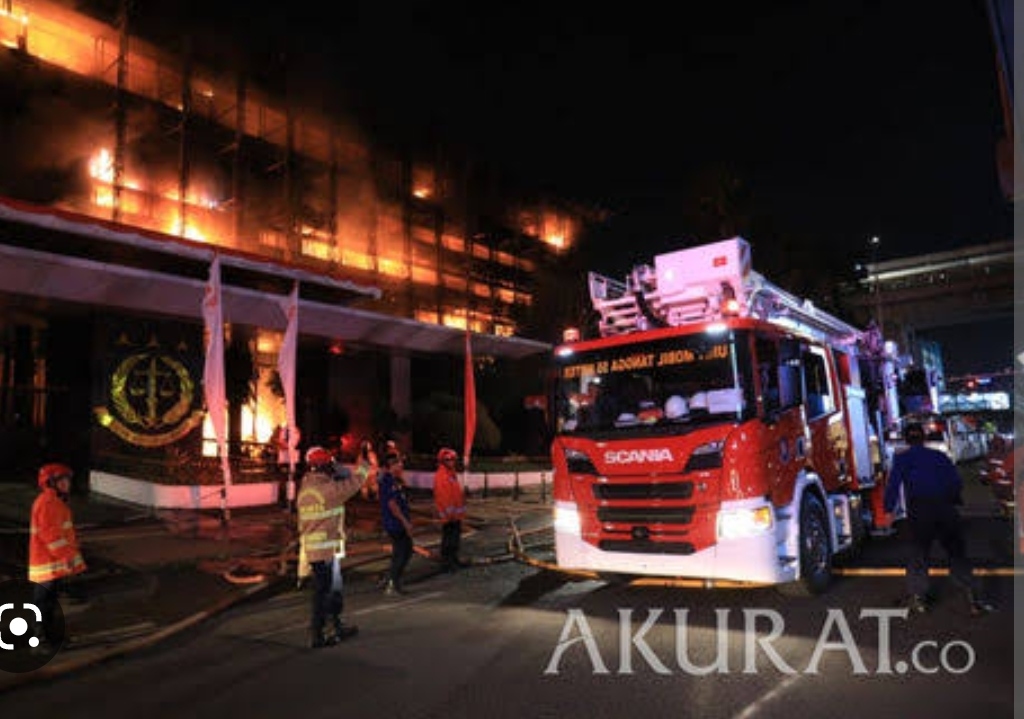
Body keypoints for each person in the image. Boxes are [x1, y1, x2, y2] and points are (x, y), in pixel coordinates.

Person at [883, 422, 995, 616]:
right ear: (924, 438)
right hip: (945, 509)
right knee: (957, 555)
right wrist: (951, 501)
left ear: (906, 439)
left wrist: (888, 510)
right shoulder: (940, 457)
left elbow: (893, 485)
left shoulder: (902, 459)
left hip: (920, 511)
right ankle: (974, 599)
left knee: (919, 554)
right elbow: (955, 482)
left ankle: (919, 600)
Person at [296, 445, 362, 648]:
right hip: (324, 551)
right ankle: (319, 633)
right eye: (330, 466)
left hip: (318, 550)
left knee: (331, 590)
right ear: (324, 467)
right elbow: (354, 482)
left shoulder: (306, 489)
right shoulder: (328, 490)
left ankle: (334, 625)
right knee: (324, 593)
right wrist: (365, 465)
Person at [29, 462, 87, 650]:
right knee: (45, 605)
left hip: (50, 564)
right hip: (48, 565)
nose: (67, 484)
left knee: (49, 604)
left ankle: (50, 638)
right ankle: (44, 641)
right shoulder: (48, 503)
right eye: (62, 481)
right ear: (51, 483)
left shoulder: (53, 502)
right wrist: (67, 556)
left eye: (67, 480)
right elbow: (52, 537)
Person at [378, 452, 414, 595]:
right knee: (403, 552)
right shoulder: (388, 481)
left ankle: (393, 580)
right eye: (398, 463)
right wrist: (405, 523)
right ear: (391, 465)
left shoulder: (394, 480)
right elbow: (392, 505)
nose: (402, 465)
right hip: (395, 524)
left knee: (403, 551)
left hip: (397, 523)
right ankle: (393, 582)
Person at [433, 447, 468, 571]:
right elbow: (443, 497)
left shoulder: (451, 474)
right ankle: (447, 563)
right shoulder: (441, 475)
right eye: (448, 460)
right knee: (448, 541)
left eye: (453, 459)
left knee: (454, 540)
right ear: (443, 461)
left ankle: (453, 560)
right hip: (449, 517)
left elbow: (455, 494)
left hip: (454, 516)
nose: (452, 462)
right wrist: (449, 514)